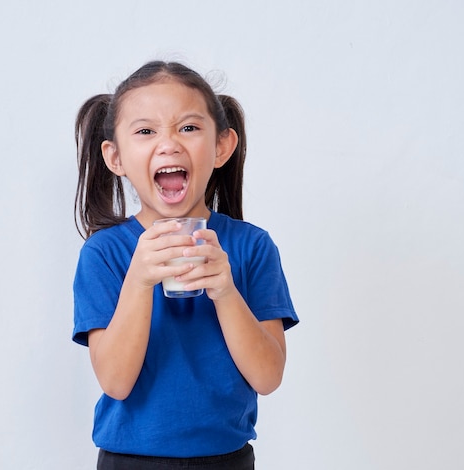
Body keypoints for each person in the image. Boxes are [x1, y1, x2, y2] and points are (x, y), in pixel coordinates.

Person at [72, 60, 298, 469]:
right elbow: (116, 382)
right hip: (131, 460)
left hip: (227, 459)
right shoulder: (104, 254)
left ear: (221, 147)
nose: (169, 144)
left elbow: (268, 377)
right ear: (115, 156)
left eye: (189, 128)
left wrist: (226, 291)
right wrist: (139, 282)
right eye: (145, 131)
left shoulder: (252, 247)